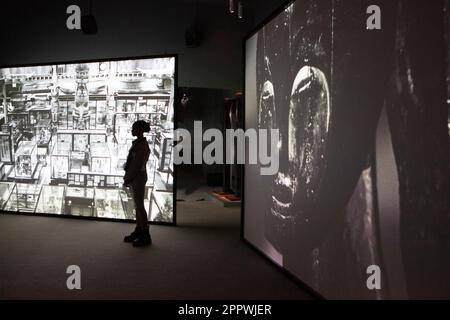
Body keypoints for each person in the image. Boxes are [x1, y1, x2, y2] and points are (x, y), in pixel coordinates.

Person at [123, 120, 152, 247]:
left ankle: (145, 234)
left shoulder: (142, 146)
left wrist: (128, 178)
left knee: (140, 207)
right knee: (137, 206)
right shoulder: (139, 143)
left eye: (134, 128)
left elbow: (136, 165)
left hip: (138, 177)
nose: (132, 130)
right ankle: (139, 229)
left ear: (140, 130)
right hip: (135, 177)